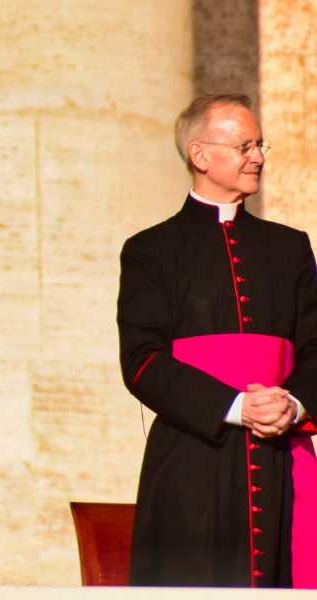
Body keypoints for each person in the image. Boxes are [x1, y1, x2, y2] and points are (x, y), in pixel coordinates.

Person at [118, 93, 317, 587]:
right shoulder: (150, 250)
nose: (258, 156)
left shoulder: (290, 248)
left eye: (260, 144)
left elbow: (315, 347)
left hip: (281, 456)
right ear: (200, 155)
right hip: (192, 460)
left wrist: (291, 404)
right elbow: (142, 360)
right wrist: (236, 406)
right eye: (244, 145)